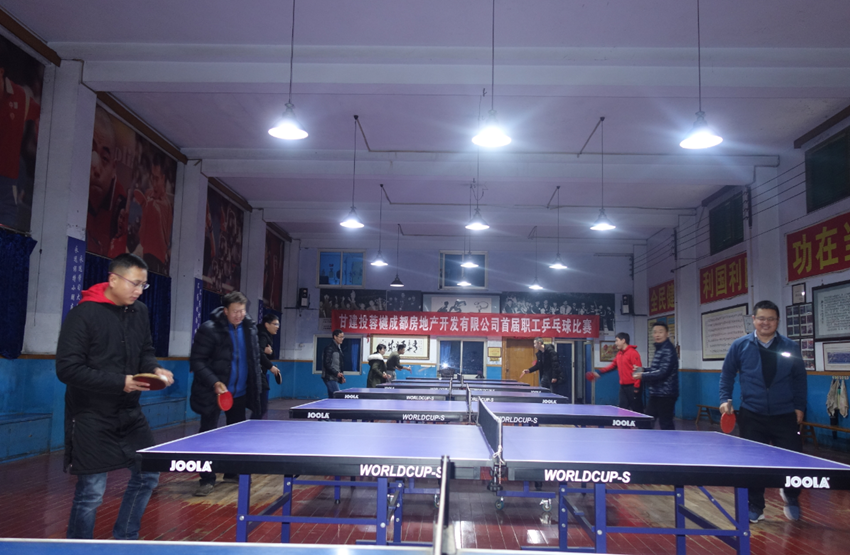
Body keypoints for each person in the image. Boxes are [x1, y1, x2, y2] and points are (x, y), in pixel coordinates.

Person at [56, 253, 175, 540]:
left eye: (143, 285)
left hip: (129, 414)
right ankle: (78, 549)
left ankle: (125, 539)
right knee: (91, 492)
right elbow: (67, 369)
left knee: (148, 474)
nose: (139, 291)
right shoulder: (83, 315)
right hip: (90, 416)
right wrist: (120, 382)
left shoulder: (140, 312)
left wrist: (154, 368)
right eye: (135, 283)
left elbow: (145, 350)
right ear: (113, 279)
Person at [719, 300, 807, 523]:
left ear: (778, 321)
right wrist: (724, 399)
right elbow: (727, 374)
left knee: (793, 460)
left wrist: (799, 406)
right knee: (753, 464)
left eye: (771, 319)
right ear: (753, 320)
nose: (766, 322)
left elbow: (799, 378)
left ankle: (791, 495)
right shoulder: (740, 345)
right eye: (761, 318)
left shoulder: (790, 346)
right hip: (752, 414)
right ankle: (756, 505)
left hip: (784, 413)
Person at [189, 291, 263, 496]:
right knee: (208, 436)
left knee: (236, 435)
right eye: (235, 311)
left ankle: (231, 472)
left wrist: (256, 386)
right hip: (212, 393)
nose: (239, 315)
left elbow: (254, 359)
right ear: (225, 311)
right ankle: (206, 479)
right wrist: (214, 382)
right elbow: (197, 361)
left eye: (242, 311)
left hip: (240, 393)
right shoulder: (209, 329)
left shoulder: (250, 329)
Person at [86, 107, 127, 258]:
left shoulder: (121, 206)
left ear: (114, 168)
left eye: (104, 158)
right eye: (90, 151)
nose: (96, 169)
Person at [632, 323, 679, 429]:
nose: (657, 335)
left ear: (667, 334)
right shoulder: (660, 349)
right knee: (647, 422)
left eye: (660, 332)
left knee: (665, 423)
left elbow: (663, 372)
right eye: (655, 332)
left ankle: (671, 440)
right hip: (657, 393)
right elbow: (656, 369)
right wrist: (643, 369)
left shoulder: (668, 350)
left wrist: (643, 375)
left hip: (666, 394)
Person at [590, 332, 643, 412]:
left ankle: (642, 421)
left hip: (633, 386)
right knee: (622, 409)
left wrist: (637, 387)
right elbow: (612, 366)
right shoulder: (619, 354)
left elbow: (639, 370)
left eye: (617, 340)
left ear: (623, 340)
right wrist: (599, 372)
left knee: (637, 410)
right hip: (623, 387)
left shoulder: (633, 353)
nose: (615, 343)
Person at [256, 313, 282, 419]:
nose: (278, 327)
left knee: (260, 407)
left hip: (260, 372)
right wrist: (271, 367)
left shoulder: (267, 335)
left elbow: (271, 354)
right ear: (267, 324)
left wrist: (269, 352)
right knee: (260, 407)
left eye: (278, 324)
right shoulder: (262, 335)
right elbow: (259, 353)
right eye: (275, 324)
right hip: (256, 373)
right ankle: (253, 425)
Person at [321, 329, 346, 397]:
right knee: (337, 396)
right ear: (335, 337)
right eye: (340, 337)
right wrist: (336, 373)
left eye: (343, 337)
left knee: (332, 397)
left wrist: (341, 376)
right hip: (329, 377)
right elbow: (327, 363)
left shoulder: (338, 349)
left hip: (334, 377)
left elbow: (338, 365)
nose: (342, 339)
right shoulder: (329, 348)